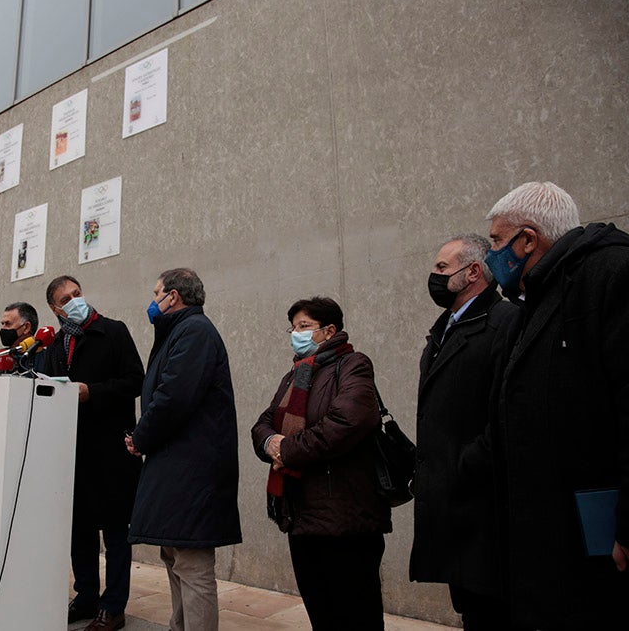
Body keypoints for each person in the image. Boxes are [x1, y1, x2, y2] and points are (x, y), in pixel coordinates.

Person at [484, 181, 629, 629]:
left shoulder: (618, 275)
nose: (491, 254)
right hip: (552, 548)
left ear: (527, 239)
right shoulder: (538, 299)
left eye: (496, 240)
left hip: (611, 558)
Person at [251, 296, 391, 631]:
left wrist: (287, 450)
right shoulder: (295, 373)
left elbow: (346, 424)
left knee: (356, 615)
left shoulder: (354, 365)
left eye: (304, 327)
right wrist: (270, 442)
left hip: (346, 519)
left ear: (329, 330)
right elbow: (264, 422)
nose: (295, 334)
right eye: (293, 327)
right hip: (300, 514)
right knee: (322, 613)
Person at [408, 235, 522, 629]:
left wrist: (466, 463)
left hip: (485, 511)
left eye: (442, 268)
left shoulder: (505, 322)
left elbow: (511, 412)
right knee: (472, 612)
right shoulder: (443, 330)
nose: (434, 276)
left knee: (494, 615)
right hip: (455, 512)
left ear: (473, 271)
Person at [126, 268, 241, 631]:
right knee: (175, 554)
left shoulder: (194, 332)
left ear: (172, 296)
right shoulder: (181, 331)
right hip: (177, 467)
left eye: (156, 292)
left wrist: (140, 437)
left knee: (192, 564)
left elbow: (173, 398)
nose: (152, 300)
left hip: (193, 470)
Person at [44, 276, 144, 631]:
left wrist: (93, 393)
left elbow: (136, 381)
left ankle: (113, 607)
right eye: (65, 299)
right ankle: (86, 596)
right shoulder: (55, 347)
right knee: (80, 531)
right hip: (73, 454)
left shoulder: (114, 332)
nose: (74, 301)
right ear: (55, 309)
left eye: (77, 294)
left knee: (116, 532)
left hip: (112, 451)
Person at [0, 302, 39, 375]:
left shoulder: (46, 357)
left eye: (8, 324)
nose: (3, 328)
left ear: (26, 328)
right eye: (2, 324)